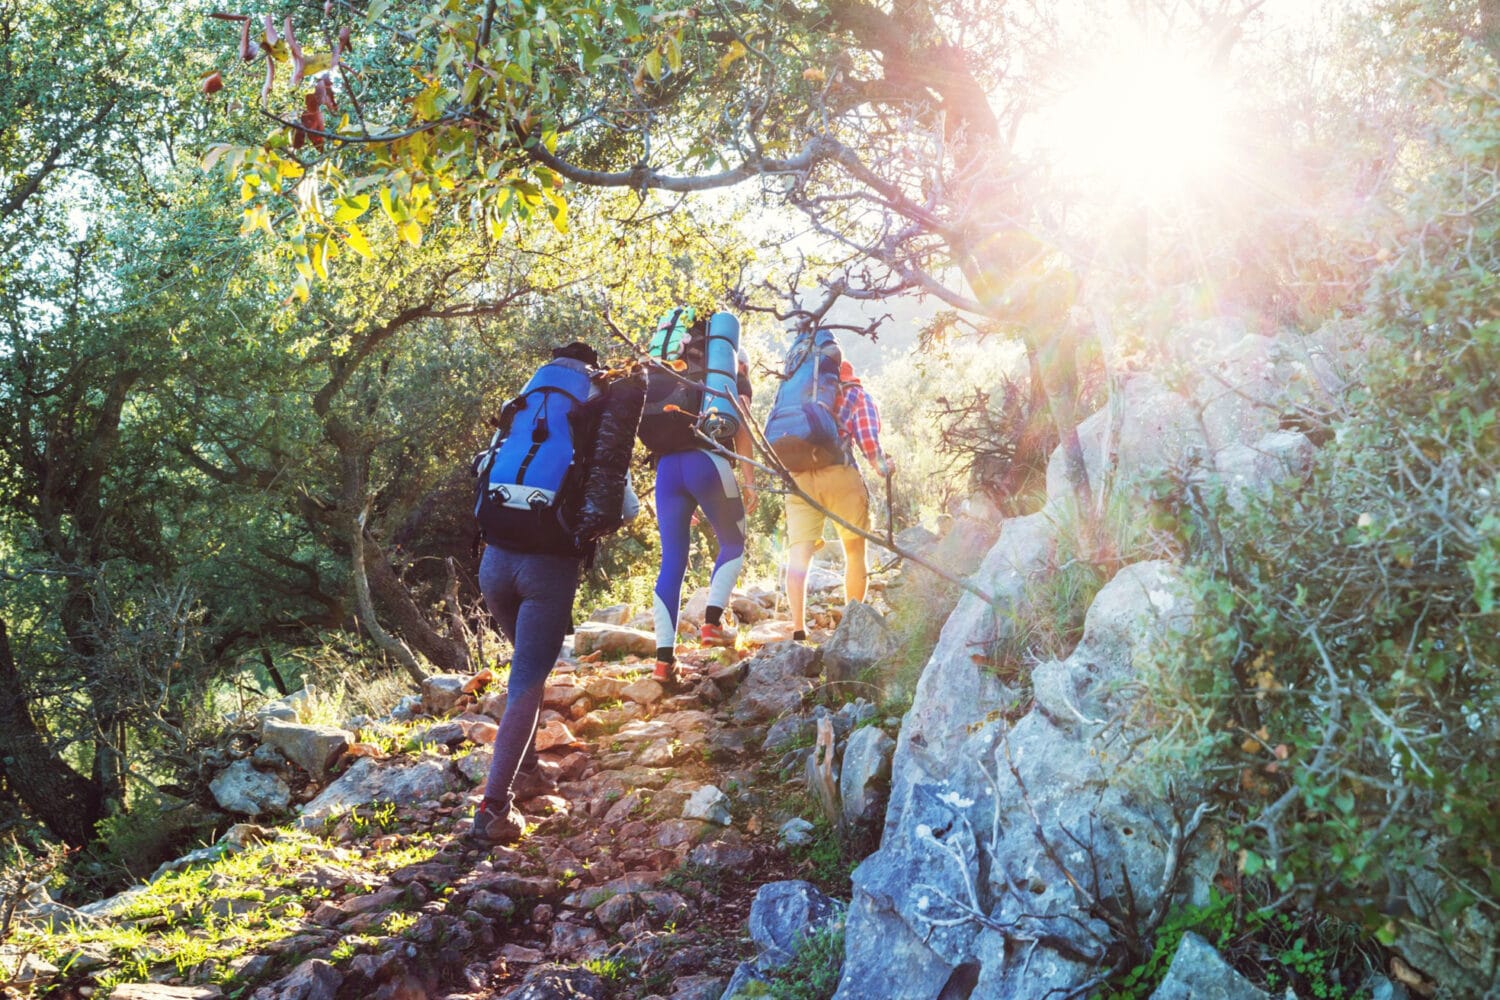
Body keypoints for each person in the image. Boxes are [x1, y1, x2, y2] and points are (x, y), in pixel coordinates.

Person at [469, 341, 640, 846]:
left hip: (493, 564)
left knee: (526, 666)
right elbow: (623, 510)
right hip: (546, 572)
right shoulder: (587, 432)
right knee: (527, 678)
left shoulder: (522, 416)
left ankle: (528, 776)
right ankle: (493, 809)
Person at [650, 345, 758, 690]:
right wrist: (750, 480)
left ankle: (663, 663)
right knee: (733, 542)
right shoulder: (730, 375)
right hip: (706, 462)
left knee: (672, 562)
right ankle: (712, 625)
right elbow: (741, 428)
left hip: (666, 470)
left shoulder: (669, 372)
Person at [784, 359, 892, 641]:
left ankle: (798, 628)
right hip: (840, 474)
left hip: (799, 477)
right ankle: (850, 625)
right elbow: (869, 443)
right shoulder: (856, 394)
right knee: (854, 552)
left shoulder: (797, 393)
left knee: (799, 554)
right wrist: (883, 467)